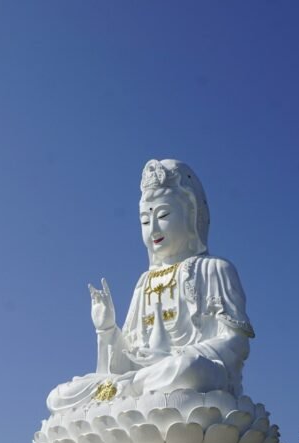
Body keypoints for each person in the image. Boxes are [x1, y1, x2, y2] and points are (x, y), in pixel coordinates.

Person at [47, 159, 254, 414]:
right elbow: (126, 361)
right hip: (142, 379)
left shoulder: (214, 269)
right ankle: (130, 393)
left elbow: (236, 344)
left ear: (191, 214)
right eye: (145, 221)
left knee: (188, 369)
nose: (153, 229)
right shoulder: (144, 282)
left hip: (187, 378)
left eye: (163, 215)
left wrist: (176, 357)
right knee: (59, 397)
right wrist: (107, 329)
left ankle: (127, 395)